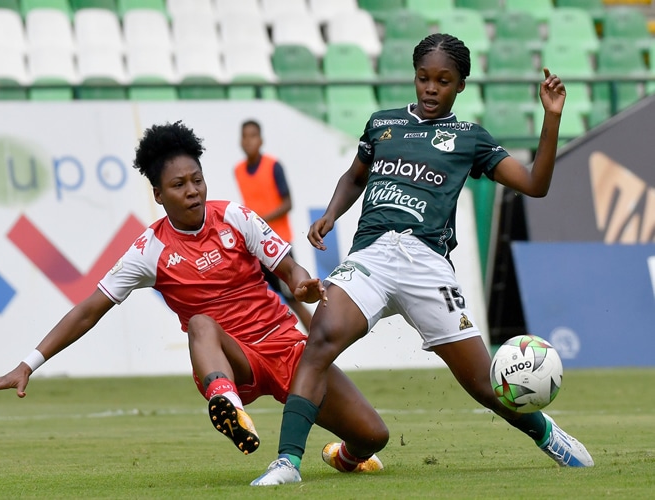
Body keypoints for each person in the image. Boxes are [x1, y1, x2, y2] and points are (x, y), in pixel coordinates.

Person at [251, 33, 594, 486]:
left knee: (483, 382)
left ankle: (547, 434)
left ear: (461, 85)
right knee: (321, 338)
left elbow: (535, 184)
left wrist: (551, 117)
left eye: (443, 81)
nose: (431, 88)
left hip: (426, 264)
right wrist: (332, 214)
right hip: (372, 256)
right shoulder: (383, 124)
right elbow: (355, 176)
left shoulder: (470, 138)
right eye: (423, 78)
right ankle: (287, 463)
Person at [0, 121, 388, 472]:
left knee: (374, 435)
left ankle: (343, 456)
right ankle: (226, 404)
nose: (192, 191)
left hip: (287, 348)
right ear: (158, 195)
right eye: (178, 185)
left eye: (197, 180)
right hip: (232, 361)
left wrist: (301, 284)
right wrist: (28, 364)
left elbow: (290, 269)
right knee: (201, 323)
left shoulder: (235, 217)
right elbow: (88, 310)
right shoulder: (149, 249)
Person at [234, 119, 313, 332]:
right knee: (254, 300)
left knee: (294, 297)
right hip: (254, 246)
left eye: (253, 136)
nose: (248, 141)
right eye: (244, 136)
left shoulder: (273, 166)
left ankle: (320, 341)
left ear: (261, 140)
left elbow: (288, 203)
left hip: (277, 244)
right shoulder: (238, 170)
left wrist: (260, 220)